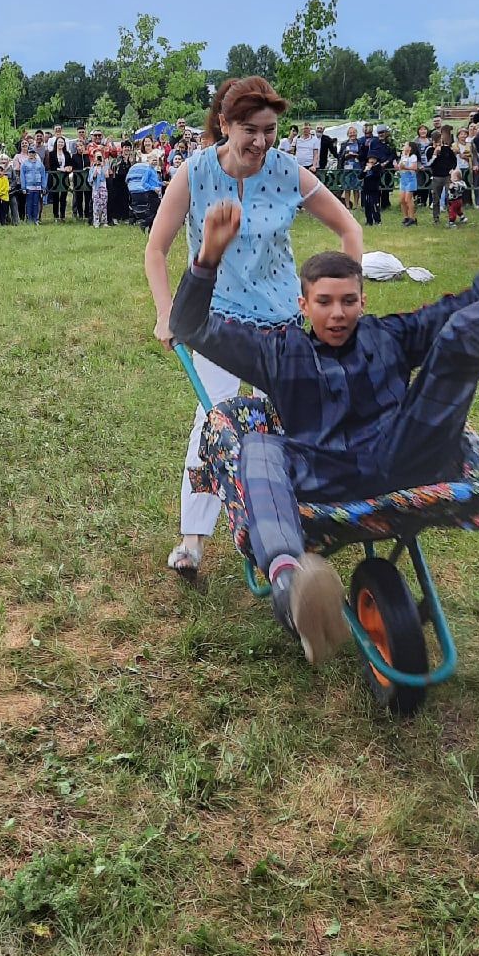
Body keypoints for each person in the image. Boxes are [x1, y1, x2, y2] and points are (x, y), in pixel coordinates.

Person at [169, 158, 479, 662]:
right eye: (324, 302)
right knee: (257, 443)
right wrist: (206, 259)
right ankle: (295, 585)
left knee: (460, 332)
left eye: (348, 301)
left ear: (363, 301)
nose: (337, 313)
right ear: (302, 306)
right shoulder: (278, 351)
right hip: (321, 477)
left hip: (406, 456)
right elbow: (191, 326)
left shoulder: (390, 336)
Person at [144, 75, 363, 579]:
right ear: (224, 124)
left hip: (282, 322)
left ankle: (296, 526)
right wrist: (164, 310)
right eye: (251, 129)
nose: (262, 142)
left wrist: (347, 299)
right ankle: (192, 540)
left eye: (270, 130)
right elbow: (156, 250)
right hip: (215, 322)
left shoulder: (289, 173)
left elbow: (348, 227)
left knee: (297, 422)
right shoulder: (194, 174)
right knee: (216, 422)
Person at [426, 128, 456, 223]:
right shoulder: (430, 150)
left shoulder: (447, 149)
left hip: (447, 176)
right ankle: (436, 218)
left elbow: (453, 160)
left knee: (449, 197)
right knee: (436, 199)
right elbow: (429, 164)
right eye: (438, 139)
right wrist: (435, 154)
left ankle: (451, 217)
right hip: (436, 176)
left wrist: (452, 169)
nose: (440, 141)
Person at [44, 136, 71, 221]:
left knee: (63, 197)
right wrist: (60, 169)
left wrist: (69, 168)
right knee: (55, 197)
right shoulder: (51, 154)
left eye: (62, 142)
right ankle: (56, 215)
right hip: (55, 178)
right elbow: (51, 166)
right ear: (56, 143)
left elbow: (70, 163)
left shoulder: (67, 153)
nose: (60, 144)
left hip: (64, 178)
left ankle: (62, 216)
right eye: (59, 142)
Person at [19, 147, 46, 224]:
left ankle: (36, 219)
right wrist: (23, 187)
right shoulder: (24, 164)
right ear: (28, 153)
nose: (31, 154)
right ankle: (29, 219)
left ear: (35, 154)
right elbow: (22, 176)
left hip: (38, 187)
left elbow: (43, 175)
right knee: (29, 203)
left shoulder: (40, 164)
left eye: (33, 153)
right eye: (30, 153)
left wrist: (43, 186)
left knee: (36, 203)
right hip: (28, 187)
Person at [397, 142, 420, 226]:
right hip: (403, 179)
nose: (404, 146)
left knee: (408, 199)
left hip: (410, 179)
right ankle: (405, 217)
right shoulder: (403, 156)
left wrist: (405, 168)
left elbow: (414, 168)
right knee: (402, 200)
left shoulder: (413, 157)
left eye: (405, 145)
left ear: (410, 148)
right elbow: (400, 167)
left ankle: (412, 218)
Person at [89, 152, 109, 226]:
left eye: (100, 157)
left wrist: (103, 166)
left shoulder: (105, 166)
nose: (99, 159)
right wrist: (95, 170)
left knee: (104, 205)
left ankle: (104, 221)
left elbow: (106, 176)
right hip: (96, 188)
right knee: (96, 205)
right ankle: (96, 221)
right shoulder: (92, 168)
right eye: (97, 157)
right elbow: (90, 179)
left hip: (103, 187)